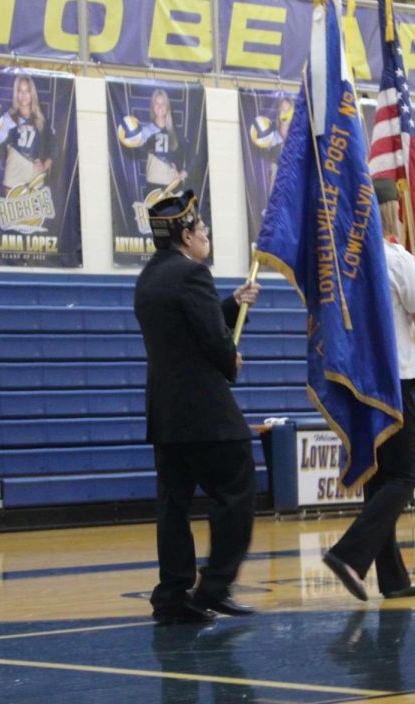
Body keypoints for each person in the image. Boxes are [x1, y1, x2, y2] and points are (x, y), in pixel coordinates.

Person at [133, 189, 262, 625]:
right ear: (186, 235)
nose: (205, 235)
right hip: (206, 413)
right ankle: (215, 587)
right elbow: (212, 341)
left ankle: (171, 595)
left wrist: (230, 304)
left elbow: (184, 328)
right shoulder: (194, 275)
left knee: (173, 505)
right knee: (236, 487)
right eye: (202, 228)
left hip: (166, 415)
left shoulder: (149, 278)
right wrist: (232, 358)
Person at [323, 177, 415, 602]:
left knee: (378, 478)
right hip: (395, 380)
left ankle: (393, 579)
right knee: (404, 477)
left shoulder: (344, 263)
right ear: (394, 212)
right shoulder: (397, 259)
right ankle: (349, 553)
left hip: (358, 382)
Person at [0, 73, 54, 192]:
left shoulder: (40, 120)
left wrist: (46, 164)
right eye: (20, 90)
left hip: (34, 180)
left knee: (36, 211)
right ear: (16, 94)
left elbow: (54, 145)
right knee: (9, 210)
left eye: (27, 91)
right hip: (13, 178)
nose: (24, 95)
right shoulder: (8, 117)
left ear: (32, 94)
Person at [135, 88, 189, 187]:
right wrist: (136, 142)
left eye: (163, 103)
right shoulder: (146, 131)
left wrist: (184, 172)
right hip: (152, 185)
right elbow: (135, 152)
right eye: (156, 103)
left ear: (168, 107)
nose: (160, 106)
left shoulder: (175, 132)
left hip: (172, 186)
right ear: (152, 106)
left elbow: (193, 154)